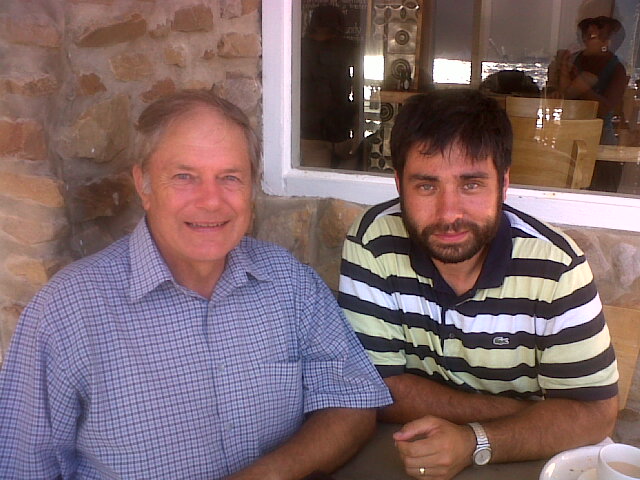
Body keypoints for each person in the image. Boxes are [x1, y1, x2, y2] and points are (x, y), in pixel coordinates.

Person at [0, 90, 392, 480]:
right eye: (184, 177)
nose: (210, 201)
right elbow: (21, 466)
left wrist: (266, 475)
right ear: (144, 185)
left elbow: (353, 402)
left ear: (251, 188)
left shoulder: (290, 283)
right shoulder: (66, 312)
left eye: (230, 178)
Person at [338, 89, 619, 480]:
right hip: (413, 446)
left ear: (503, 184)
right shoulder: (372, 242)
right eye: (426, 186)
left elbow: (594, 413)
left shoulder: (557, 267)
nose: (449, 213)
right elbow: (374, 388)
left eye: (471, 184)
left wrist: (474, 441)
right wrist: (533, 416)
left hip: (529, 457)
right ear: (399, 184)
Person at [547, 16, 627, 190]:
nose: (587, 39)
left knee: (601, 184)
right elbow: (560, 92)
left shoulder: (617, 69)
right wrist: (557, 87)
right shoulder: (573, 60)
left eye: (593, 36)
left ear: (608, 41)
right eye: (586, 35)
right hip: (567, 133)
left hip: (599, 138)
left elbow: (606, 107)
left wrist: (583, 88)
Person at [300, 5, 358, 169]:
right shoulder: (348, 48)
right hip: (340, 126)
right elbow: (358, 89)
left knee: (316, 181)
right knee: (347, 181)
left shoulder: (299, 47)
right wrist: (357, 126)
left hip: (310, 128)